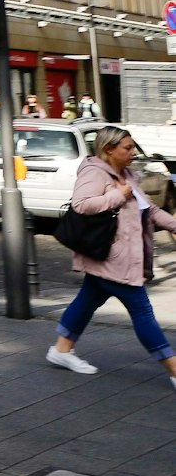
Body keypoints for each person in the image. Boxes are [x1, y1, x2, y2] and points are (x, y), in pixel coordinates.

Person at [46, 125, 176, 387]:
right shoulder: (95, 172)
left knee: (87, 300)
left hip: (112, 256)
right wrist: (118, 195)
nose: (133, 153)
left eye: (133, 147)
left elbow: (149, 210)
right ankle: (173, 368)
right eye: (127, 148)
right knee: (142, 312)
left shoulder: (128, 174)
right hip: (113, 258)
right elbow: (81, 205)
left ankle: (61, 349)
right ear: (109, 149)